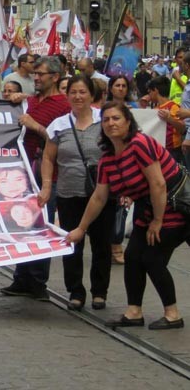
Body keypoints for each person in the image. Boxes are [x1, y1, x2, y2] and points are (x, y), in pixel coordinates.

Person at [65, 103, 188, 330]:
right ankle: (134, 312)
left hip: (173, 207)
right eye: (106, 120)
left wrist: (158, 222)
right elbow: (99, 197)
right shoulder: (107, 160)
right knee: (132, 256)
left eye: (116, 118)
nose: (111, 123)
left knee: (152, 259)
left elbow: (158, 184)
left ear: (128, 122)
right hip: (149, 209)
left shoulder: (139, 144)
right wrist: (81, 229)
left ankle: (173, 315)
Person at [40, 74, 112, 311]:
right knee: (72, 243)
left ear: (92, 95)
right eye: (73, 92)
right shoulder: (59, 125)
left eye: (83, 92)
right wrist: (47, 186)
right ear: (67, 95)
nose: (78, 96)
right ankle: (76, 291)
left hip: (102, 194)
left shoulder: (106, 120)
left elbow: (120, 153)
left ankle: (99, 292)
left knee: (102, 244)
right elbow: (48, 158)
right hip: (69, 193)